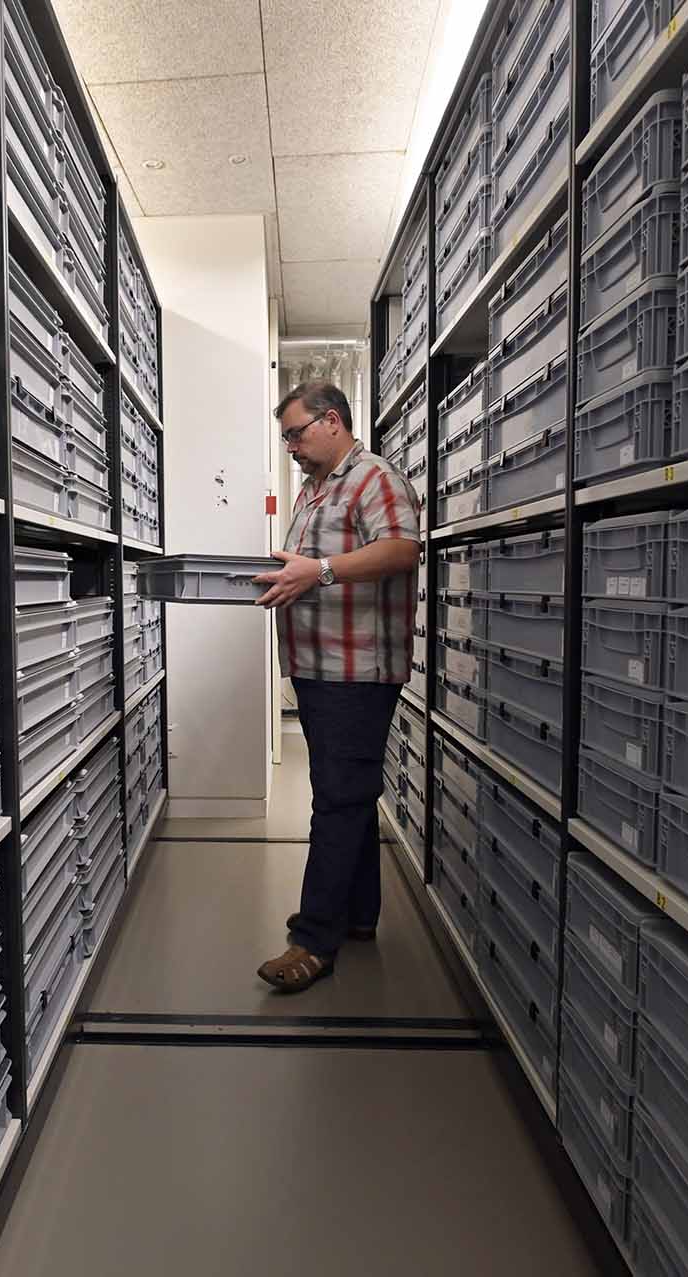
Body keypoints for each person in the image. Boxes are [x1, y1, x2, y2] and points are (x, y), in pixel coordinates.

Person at [251, 381, 422, 993]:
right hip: (319, 668)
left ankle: (311, 941)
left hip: (355, 671)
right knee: (349, 795)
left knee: (338, 800)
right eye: (286, 436)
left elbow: (402, 550)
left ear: (332, 420)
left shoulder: (372, 477)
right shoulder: (313, 491)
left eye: (296, 432)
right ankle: (358, 917)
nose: (291, 445)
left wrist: (317, 571)